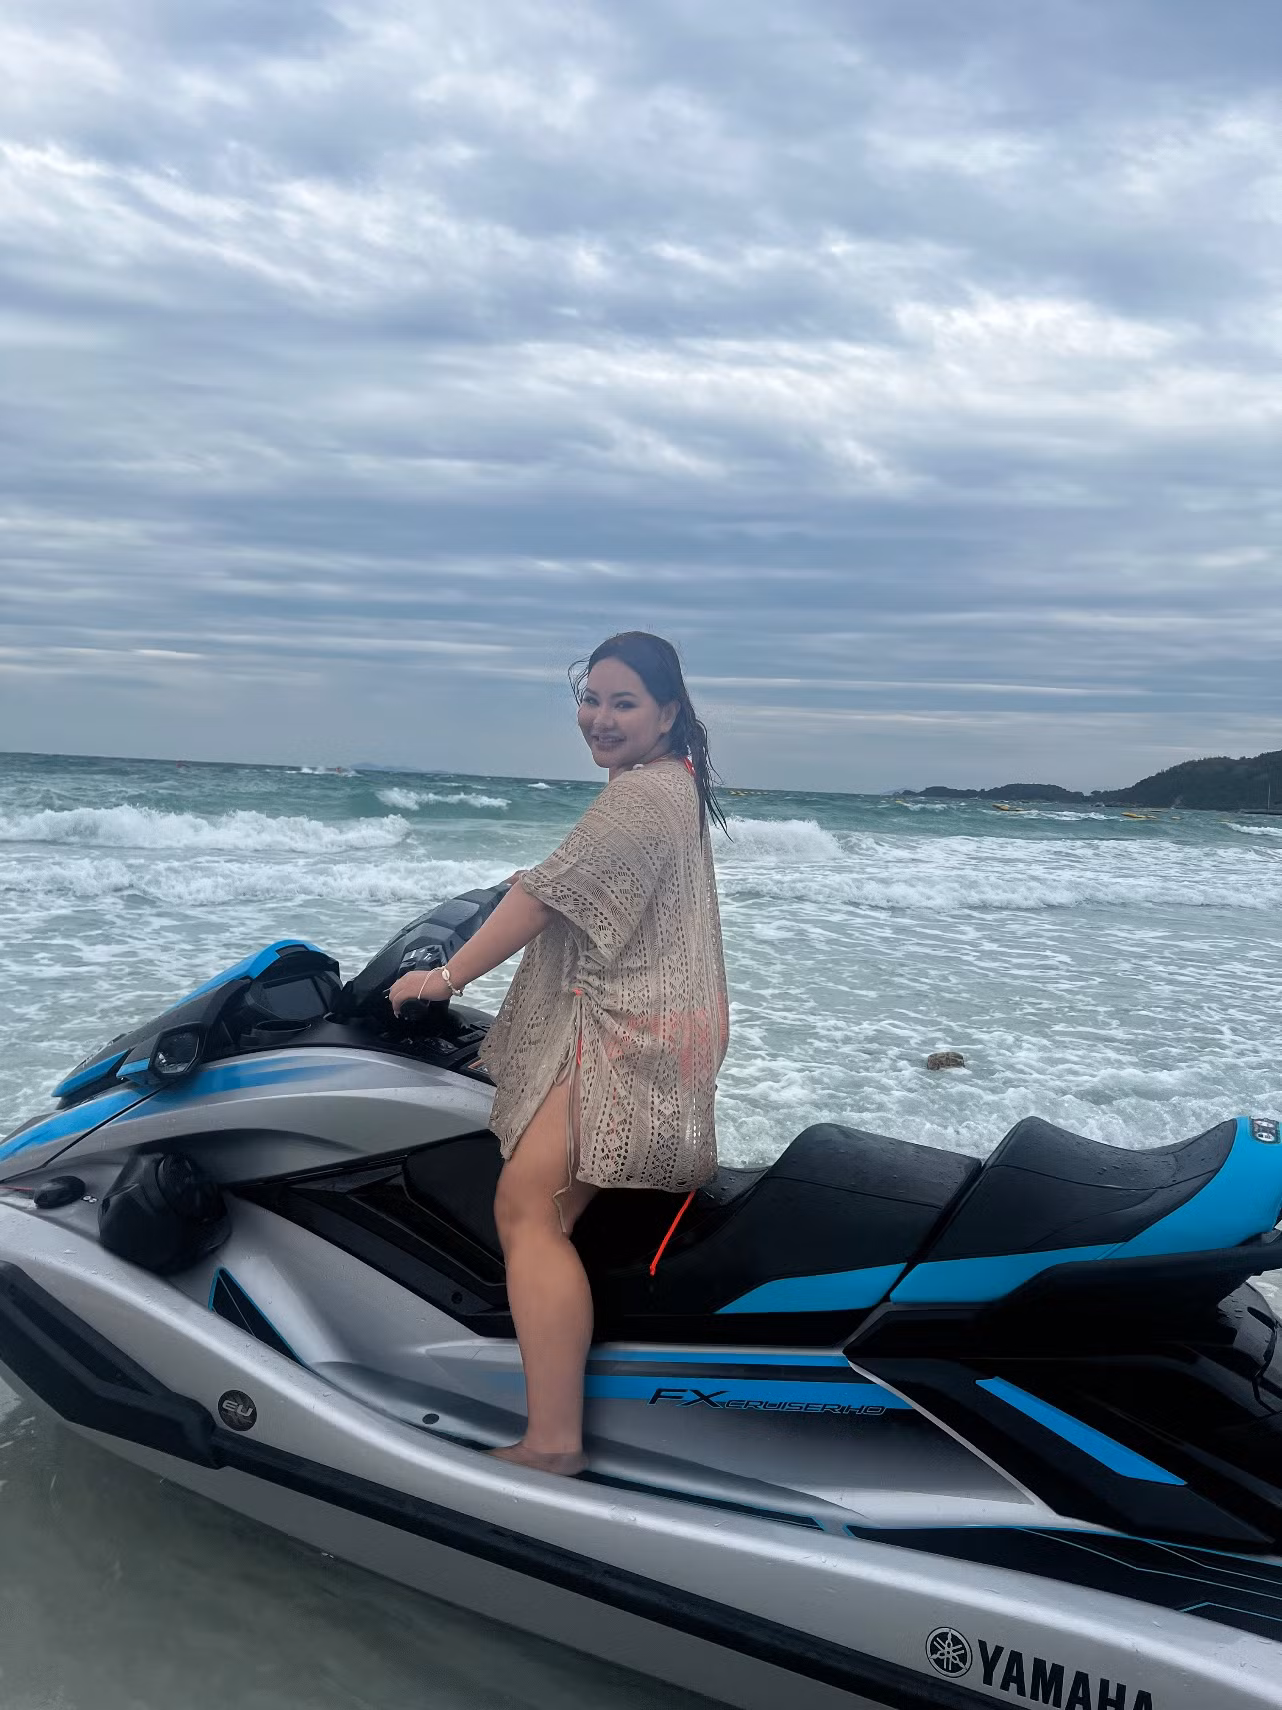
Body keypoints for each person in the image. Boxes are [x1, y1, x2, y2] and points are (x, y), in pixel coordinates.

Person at [389, 632, 729, 1476]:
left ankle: (552, 1443)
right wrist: (532, 881)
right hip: (658, 1023)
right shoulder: (668, 784)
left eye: (624, 703)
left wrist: (443, 979)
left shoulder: (643, 794)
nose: (600, 718)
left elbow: (549, 901)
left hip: (626, 1034)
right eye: (591, 700)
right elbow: (581, 881)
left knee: (527, 1209)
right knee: (547, 1207)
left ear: (667, 714)